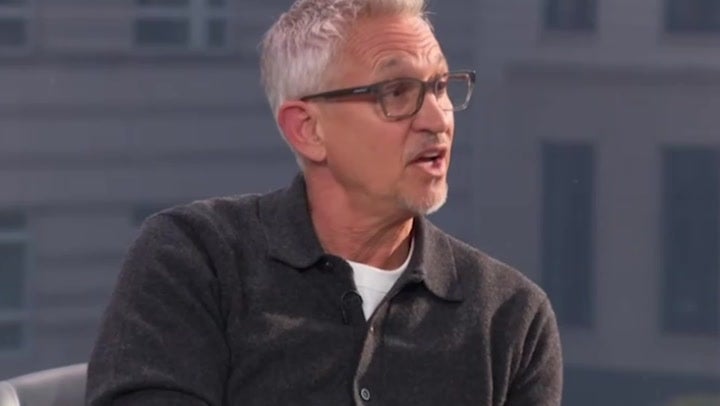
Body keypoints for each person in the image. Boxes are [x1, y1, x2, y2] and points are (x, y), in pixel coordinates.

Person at [86, 0, 563, 404]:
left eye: (440, 86)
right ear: (308, 130)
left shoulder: (511, 318)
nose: (438, 119)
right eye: (397, 92)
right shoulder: (194, 259)